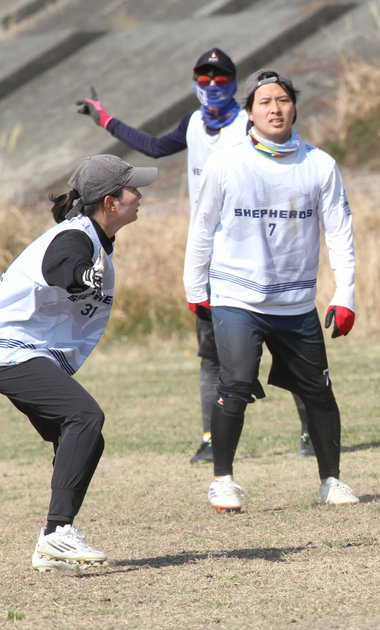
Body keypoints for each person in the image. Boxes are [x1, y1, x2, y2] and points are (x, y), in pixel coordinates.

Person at [76, 47, 317, 464]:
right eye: (204, 78)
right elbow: (153, 147)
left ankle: (312, 434)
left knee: (290, 354)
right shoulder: (192, 124)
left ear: (233, 83)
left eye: (220, 78)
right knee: (211, 357)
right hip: (210, 260)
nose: (212, 85)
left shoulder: (250, 124)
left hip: (258, 258)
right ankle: (210, 440)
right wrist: (104, 118)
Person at [183, 68, 359, 513]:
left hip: (296, 301)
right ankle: (222, 481)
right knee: (236, 382)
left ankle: (331, 480)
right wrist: (195, 287)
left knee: (319, 391)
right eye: (264, 102)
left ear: (294, 108)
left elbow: (340, 232)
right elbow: (202, 227)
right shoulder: (226, 161)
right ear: (249, 112)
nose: (275, 109)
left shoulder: (320, 164)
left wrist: (345, 295)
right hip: (236, 296)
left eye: (283, 100)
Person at [0, 154, 157, 572]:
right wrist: (83, 274)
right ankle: (58, 533)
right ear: (109, 202)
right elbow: (62, 264)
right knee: (84, 417)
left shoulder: (94, 238)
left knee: (85, 437)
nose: (139, 196)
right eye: (132, 189)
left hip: (23, 349)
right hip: (9, 349)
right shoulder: (75, 236)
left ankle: (49, 543)